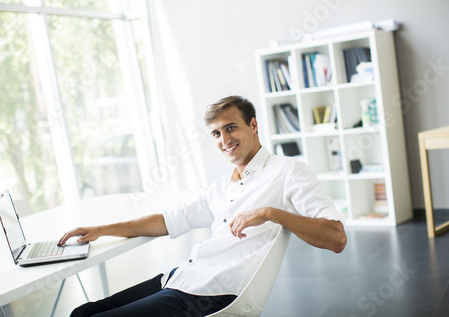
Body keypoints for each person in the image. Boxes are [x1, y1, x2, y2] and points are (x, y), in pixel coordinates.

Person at [58, 95, 347, 317]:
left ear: (254, 125)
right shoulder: (222, 186)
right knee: (81, 313)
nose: (225, 140)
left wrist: (272, 213)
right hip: (183, 277)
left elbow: (336, 238)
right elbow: (169, 220)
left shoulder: (289, 171)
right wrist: (101, 229)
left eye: (231, 128)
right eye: (216, 134)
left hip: (213, 293)